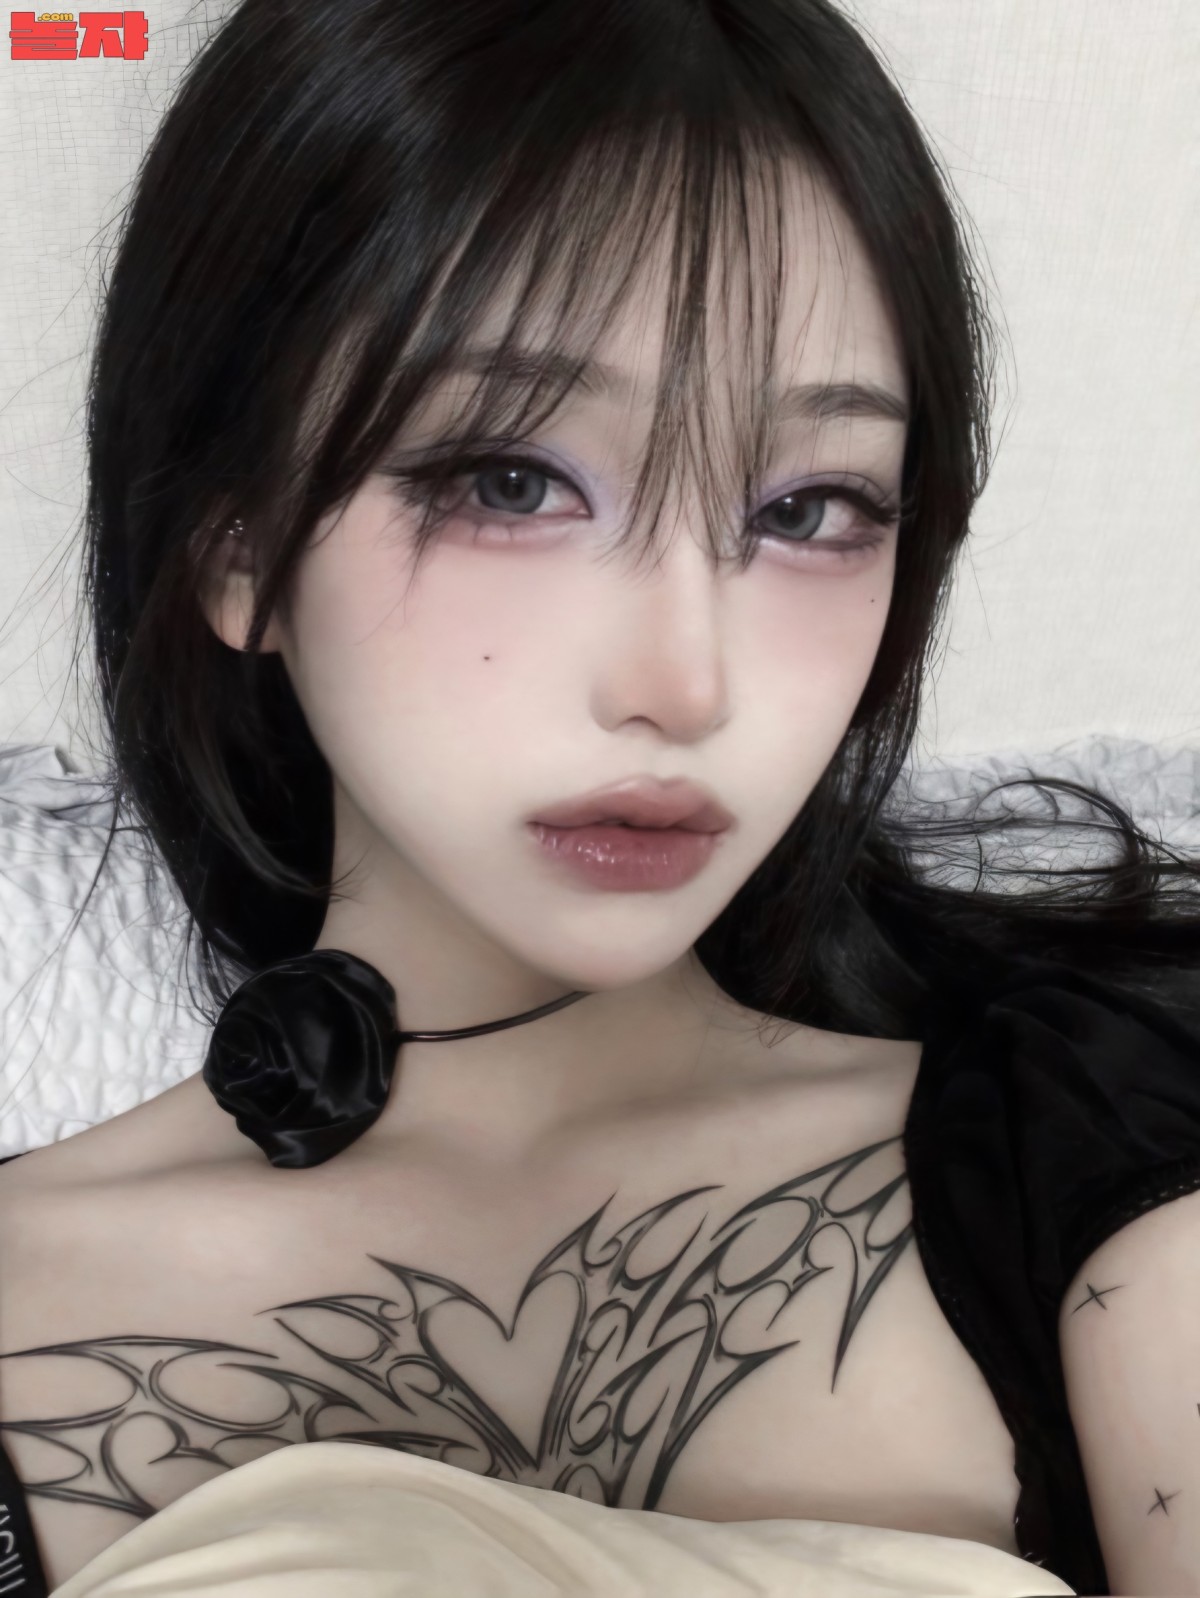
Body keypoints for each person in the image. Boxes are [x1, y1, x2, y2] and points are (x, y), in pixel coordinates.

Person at [1, 0, 1198, 1592]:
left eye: (810, 508)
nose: (684, 683)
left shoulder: (1110, 1128)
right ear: (238, 547)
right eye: (510, 480)